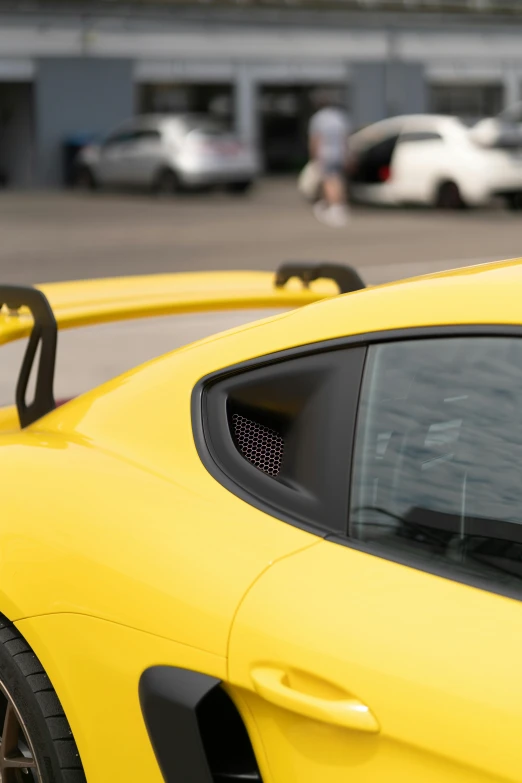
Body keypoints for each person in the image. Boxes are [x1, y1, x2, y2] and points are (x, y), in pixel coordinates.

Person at [308, 90, 351, 227]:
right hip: (339, 153)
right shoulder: (339, 116)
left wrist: (314, 157)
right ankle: (339, 206)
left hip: (326, 154)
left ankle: (335, 208)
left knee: (329, 181)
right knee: (338, 179)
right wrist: (346, 154)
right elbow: (345, 138)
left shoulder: (318, 118)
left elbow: (316, 139)